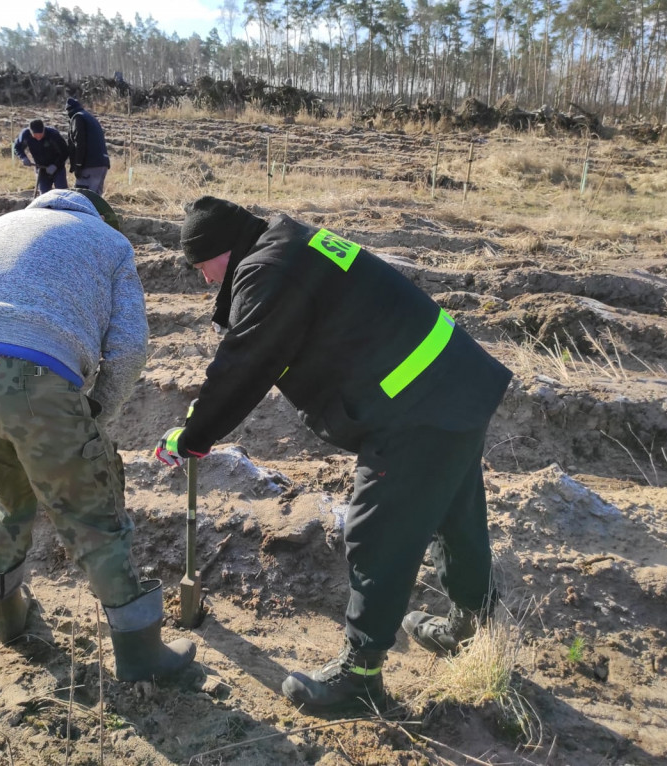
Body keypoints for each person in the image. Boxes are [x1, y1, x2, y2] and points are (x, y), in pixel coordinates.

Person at [153, 196, 512, 710]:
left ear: (223, 252)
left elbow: (246, 362)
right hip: (454, 381)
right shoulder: (289, 241)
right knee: (455, 511)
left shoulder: (268, 270)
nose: (204, 280)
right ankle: (470, 630)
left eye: (201, 267)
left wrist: (193, 435)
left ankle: (359, 678)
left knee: (376, 530)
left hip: (415, 407)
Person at [0, 188, 194, 682]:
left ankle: (8, 618)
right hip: (36, 380)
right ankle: (144, 661)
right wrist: (96, 413)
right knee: (92, 513)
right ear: (104, 219)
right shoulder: (110, 243)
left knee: (10, 494)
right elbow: (130, 347)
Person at [65, 97, 111, 195]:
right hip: (102, 163)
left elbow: (79, 142)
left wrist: (78, 165)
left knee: (81, 197)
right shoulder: (89, 117)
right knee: (96, 199)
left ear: (69, 110)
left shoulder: (78, 118)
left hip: (90, 165)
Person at [12, 118, 69, 195]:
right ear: (31, 132)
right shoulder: (25, 135)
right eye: (35, 135)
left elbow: (65, 152)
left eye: (40, 134)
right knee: (44, 194)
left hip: (58, 169)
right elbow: (17, 147)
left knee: (62, 193)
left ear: (44, 130)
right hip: (41, 169)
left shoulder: (53, 135)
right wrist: (23, 157)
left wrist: (55, 165)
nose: (38, 137)